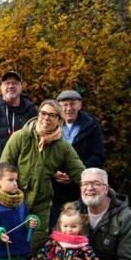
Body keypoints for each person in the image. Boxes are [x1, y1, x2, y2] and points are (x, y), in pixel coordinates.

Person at [0, 99, 86, 260]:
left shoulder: (62, 147)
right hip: (14, 203)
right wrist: (5, 193)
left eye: (51, 115)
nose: (46, 118)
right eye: (43, 113)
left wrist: (93, 187)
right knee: (11, 249)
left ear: (58, 119)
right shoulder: (21, 137)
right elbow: (3, 167)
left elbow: (79, 172)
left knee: (34, 250)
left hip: (40, 205)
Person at [50, 90, 104, 230]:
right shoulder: (49, 125)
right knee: (54, 228)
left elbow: (98, 156)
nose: (69, 108)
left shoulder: (92, 125)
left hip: (80, 187)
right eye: (65, 105)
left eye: (73, 104)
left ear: (80, 105)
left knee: (79, 228)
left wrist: (76, 173)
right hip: (53, 187)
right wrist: (53, 172)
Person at [0, 71, 38, 153]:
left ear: (21, 87)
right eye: (7, 83)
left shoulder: (32, 112)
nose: (11, 86)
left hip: (23, 164)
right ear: (1, 88)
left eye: (14, 83)